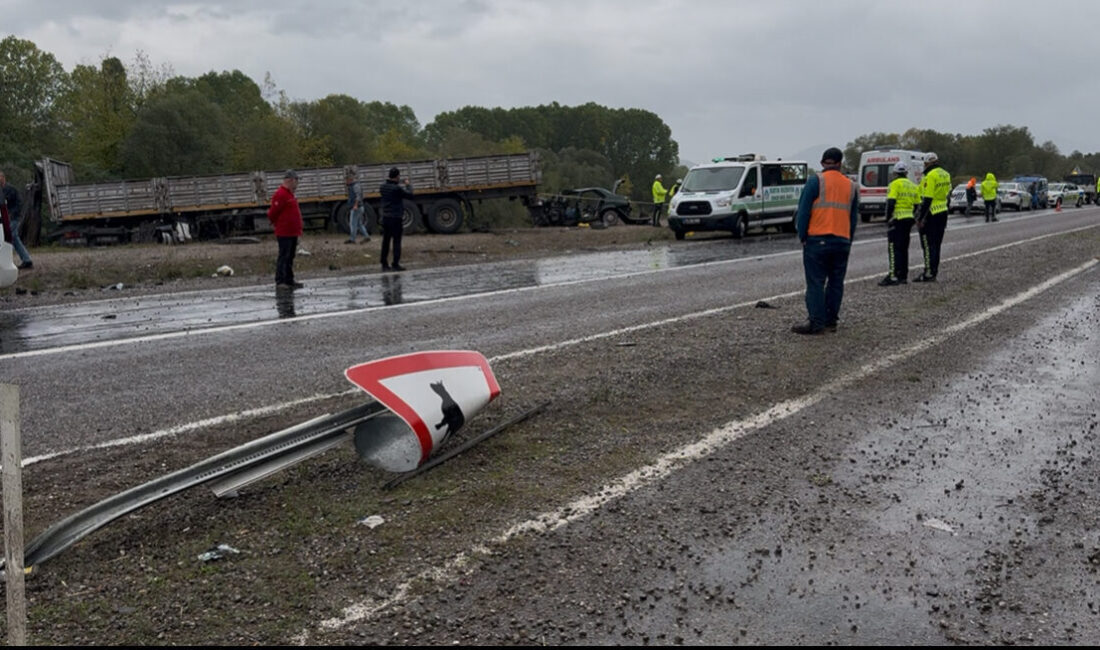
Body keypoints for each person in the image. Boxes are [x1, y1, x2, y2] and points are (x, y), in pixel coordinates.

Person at [791, 147, 858, 335]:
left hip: (817, 240)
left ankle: (816, 322)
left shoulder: (815, 181)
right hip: (842, 241)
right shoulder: (851, 186)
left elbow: (803, 212)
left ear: (822, 163)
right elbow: (853, 219)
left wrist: (802, 235)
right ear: (840, 163)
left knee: (816, 282)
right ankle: (831, 320)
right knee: (836, 282)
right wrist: (848, 239)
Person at [878, 162, 919, 286]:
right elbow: (917, 205)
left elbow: (891, 202)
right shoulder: (913, 186)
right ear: (906, 173)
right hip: (908, 219)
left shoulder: (894, 184)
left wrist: (888, 218)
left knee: (893, 248)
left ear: (895, 173)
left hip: (897, 219)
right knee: (904, 248)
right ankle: (903, 276)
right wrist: (913, 217)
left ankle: (893, 275)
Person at [914, 152, 951, 282]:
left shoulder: (930, 176)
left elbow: (927, 199)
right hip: (943, 212)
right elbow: (948, 194)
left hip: (931, 213)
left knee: (928, 245)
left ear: (927, 163)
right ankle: (933, 271)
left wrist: (919, 218)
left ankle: (928, 273)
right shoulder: (946, 174)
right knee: (937, 244)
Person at [267, 170, 304, 289]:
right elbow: (273, 212)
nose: (297, 184)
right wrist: (275, 223)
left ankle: (289, 279)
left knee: (290, 256)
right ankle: (280, 280)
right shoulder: (281, 194)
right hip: (284, 232)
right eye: (296, 181)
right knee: (284, 255)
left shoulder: (290, 194)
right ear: (290, 180)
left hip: (292, 232)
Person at [379, 166, 413, 271]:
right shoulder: (397, 188)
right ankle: (395, 263)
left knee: (386, 241)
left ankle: (384, 263)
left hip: (386, 217)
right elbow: (410, 195)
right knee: (396, 241)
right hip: (396, 217)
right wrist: (408, 185)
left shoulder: (383, 187)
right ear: (397, 176)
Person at [0, 170, 32, 270]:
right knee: (14, 238)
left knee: (10, 236)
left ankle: (8, 261)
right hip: (4, 219)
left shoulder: (11, 190)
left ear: (3, 178)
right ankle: (26, 260)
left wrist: (13, 213)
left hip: (13, 218)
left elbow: (19, 203)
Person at [345, 169, 370, 244]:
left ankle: (352, 239)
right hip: (358, 207)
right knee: (359, 223)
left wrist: (355, 205)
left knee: (353, 223)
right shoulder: (352, 186)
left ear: (350, 180)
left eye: (346, 180)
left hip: (357, 208)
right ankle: (366, 237)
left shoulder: (355, 186)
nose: (345, 182)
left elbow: (358, 196)